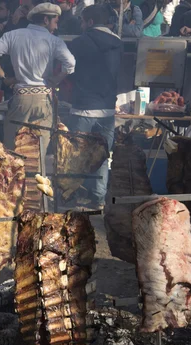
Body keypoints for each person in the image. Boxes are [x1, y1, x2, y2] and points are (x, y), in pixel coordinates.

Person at [0, 2, 75, 159]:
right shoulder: (53, 40)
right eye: (55, 21)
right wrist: (56, 79)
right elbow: (70, 64)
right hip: (44, 99)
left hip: (21, 98)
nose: (56, 25)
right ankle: (37, 178)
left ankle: (16, 180)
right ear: (46, 20)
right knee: (39, 148)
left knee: (13, 147)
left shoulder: (13, 35)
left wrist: (5, 79)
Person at [67, 4, 122, 209]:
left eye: (82, 21)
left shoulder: (79, 42)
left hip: (83, 106)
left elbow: (69, 69)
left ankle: (71, 194)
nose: (81, 25)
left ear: (89, 22)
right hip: (107, 108)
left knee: (76, 154)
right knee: (102, 155)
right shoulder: (118, 42)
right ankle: (98, 197)